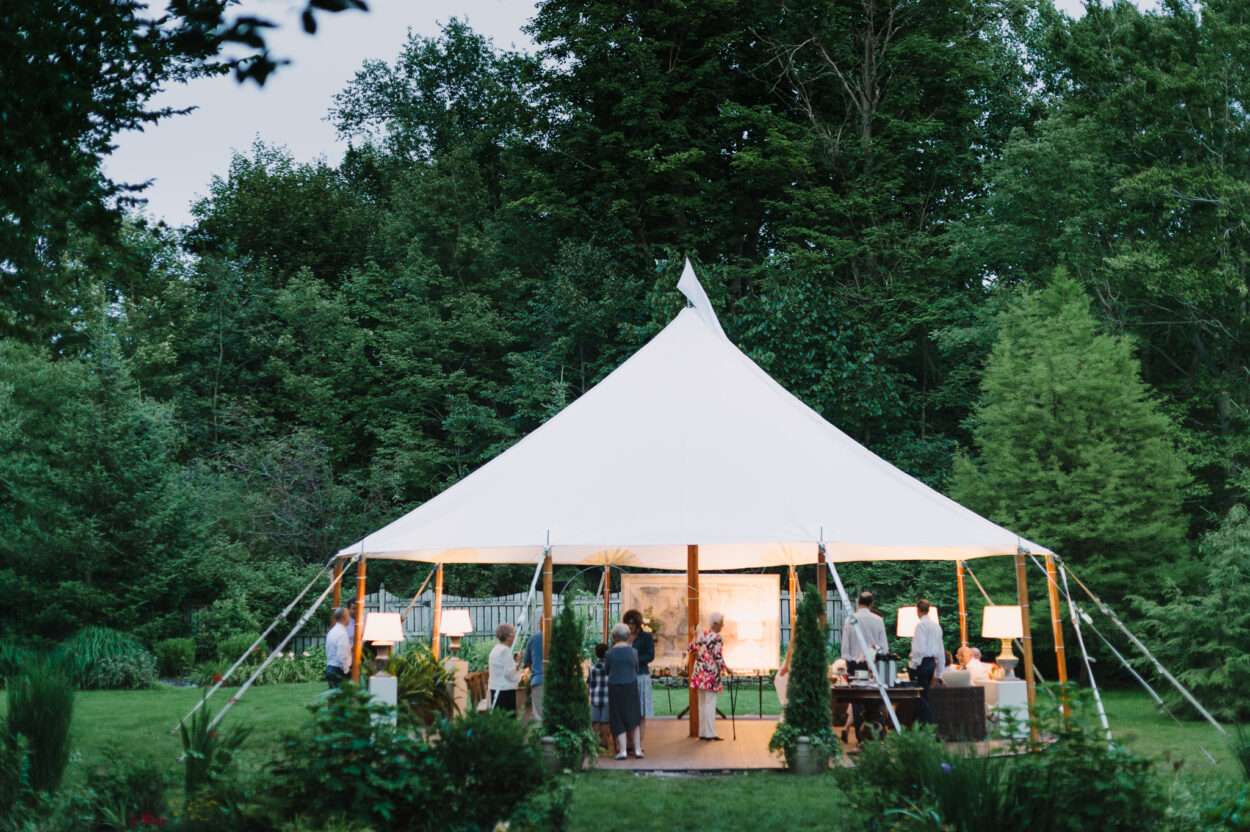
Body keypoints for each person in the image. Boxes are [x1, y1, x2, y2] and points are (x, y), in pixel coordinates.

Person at [840, 591, 888, 738]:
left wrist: (849, 660)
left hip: (855, 665)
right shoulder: (878, 620)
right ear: (871, 603)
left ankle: (861, 738)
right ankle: (875, 733)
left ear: (858, 603)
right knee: (874, 699)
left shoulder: (850, 620)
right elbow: (884, 647)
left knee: (857, 701)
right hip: (874, 665)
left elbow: (845, 649)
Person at [688, 611, 731, 741]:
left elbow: (691, 648)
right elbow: (717, 656)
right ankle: (710, 733)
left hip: (699, 672)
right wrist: (726, 668)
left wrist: (694, 636)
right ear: (716, 623)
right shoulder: (717, 637)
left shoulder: (702, 634)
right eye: (722, 623)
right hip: (710, 674)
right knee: (710, 703)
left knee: (702, 703)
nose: (723, 626)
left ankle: (703, 732)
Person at [605, 623, 643, 759]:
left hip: (615, 687)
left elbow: (607, 670)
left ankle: (623, 751)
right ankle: (638, 749)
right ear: (627, 636)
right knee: (634, 717)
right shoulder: (634, 652)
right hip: (631, 686)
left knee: (618, 717)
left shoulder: (609, 653)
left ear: (614, 637)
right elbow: (636, 668)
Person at [910, 598, 946, 724]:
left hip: (922, 663)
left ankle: (929, 723)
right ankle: (921, 724)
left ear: (918, 611)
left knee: (919, 695)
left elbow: (919, 648)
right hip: (932, 663)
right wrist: (940, 672)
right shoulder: (937, 626)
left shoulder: (920, 626)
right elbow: (941, 649)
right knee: (925, 694)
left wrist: (913, 665)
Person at [623, 609, 654, 749]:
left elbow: (650, 656)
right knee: (628, 711)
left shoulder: (646, 637)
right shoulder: (622, 637)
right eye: (628, 623)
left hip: (641, 675)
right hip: (626, 677)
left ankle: (638, 744)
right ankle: (629, 742)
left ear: (638, 623)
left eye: (633, 623)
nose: (630, 626)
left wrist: (634, 659)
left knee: (640, 713)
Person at [488, 623, 522, 717]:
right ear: (508, 636)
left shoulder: (496, 649)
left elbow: (503, 668)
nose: (515, 637)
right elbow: (509, 673)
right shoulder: (505, 651)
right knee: (507, 720)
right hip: (505, 691)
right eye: (513, 634)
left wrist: (516, 663)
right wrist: (520, 676)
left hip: (495, 688)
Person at [587, 643, 612, 751]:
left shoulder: (592, 668)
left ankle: (595, 742)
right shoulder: (610, 667)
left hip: (595, 697)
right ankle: (605, 743)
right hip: (607, 697)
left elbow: (589, 682)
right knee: (605, 721)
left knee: (595, 721)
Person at [324, 607, 352, 688]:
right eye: (348, 616)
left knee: (334, 698)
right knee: (341, 698)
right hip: (338, 671)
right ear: (344, 617)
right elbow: (341, 655)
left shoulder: (332, 631)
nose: (349, 618)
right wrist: (347, 670)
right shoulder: (342, 633)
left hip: (330, 668)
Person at [524, 628, 544, 722]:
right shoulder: (560, 638)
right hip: (557, 681)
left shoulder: (533, 639)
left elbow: (527, 661)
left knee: (539, 717)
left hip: (538, 680)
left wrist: (535, 670)